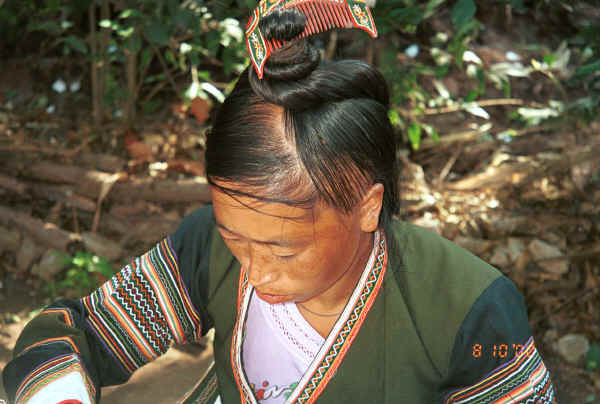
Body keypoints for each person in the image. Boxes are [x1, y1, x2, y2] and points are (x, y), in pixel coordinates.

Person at [3, 2, 557, 403]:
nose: (256, 272)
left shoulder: (467, 309)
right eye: (234, 238)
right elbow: (78, 332)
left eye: (283, 251)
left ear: (368, 206)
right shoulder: (205, 248)